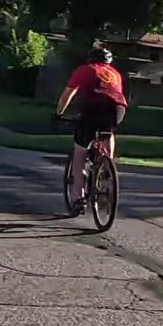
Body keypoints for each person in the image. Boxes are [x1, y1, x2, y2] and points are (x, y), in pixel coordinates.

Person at [53, 46, 128, 207]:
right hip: (117, 111)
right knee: (107, 132)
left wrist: (59, 113)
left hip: (93, 109)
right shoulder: (115, 74)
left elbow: (68, 94)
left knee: (80, 150)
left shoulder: (84, 70)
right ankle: (107, 166)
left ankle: (78, 197)